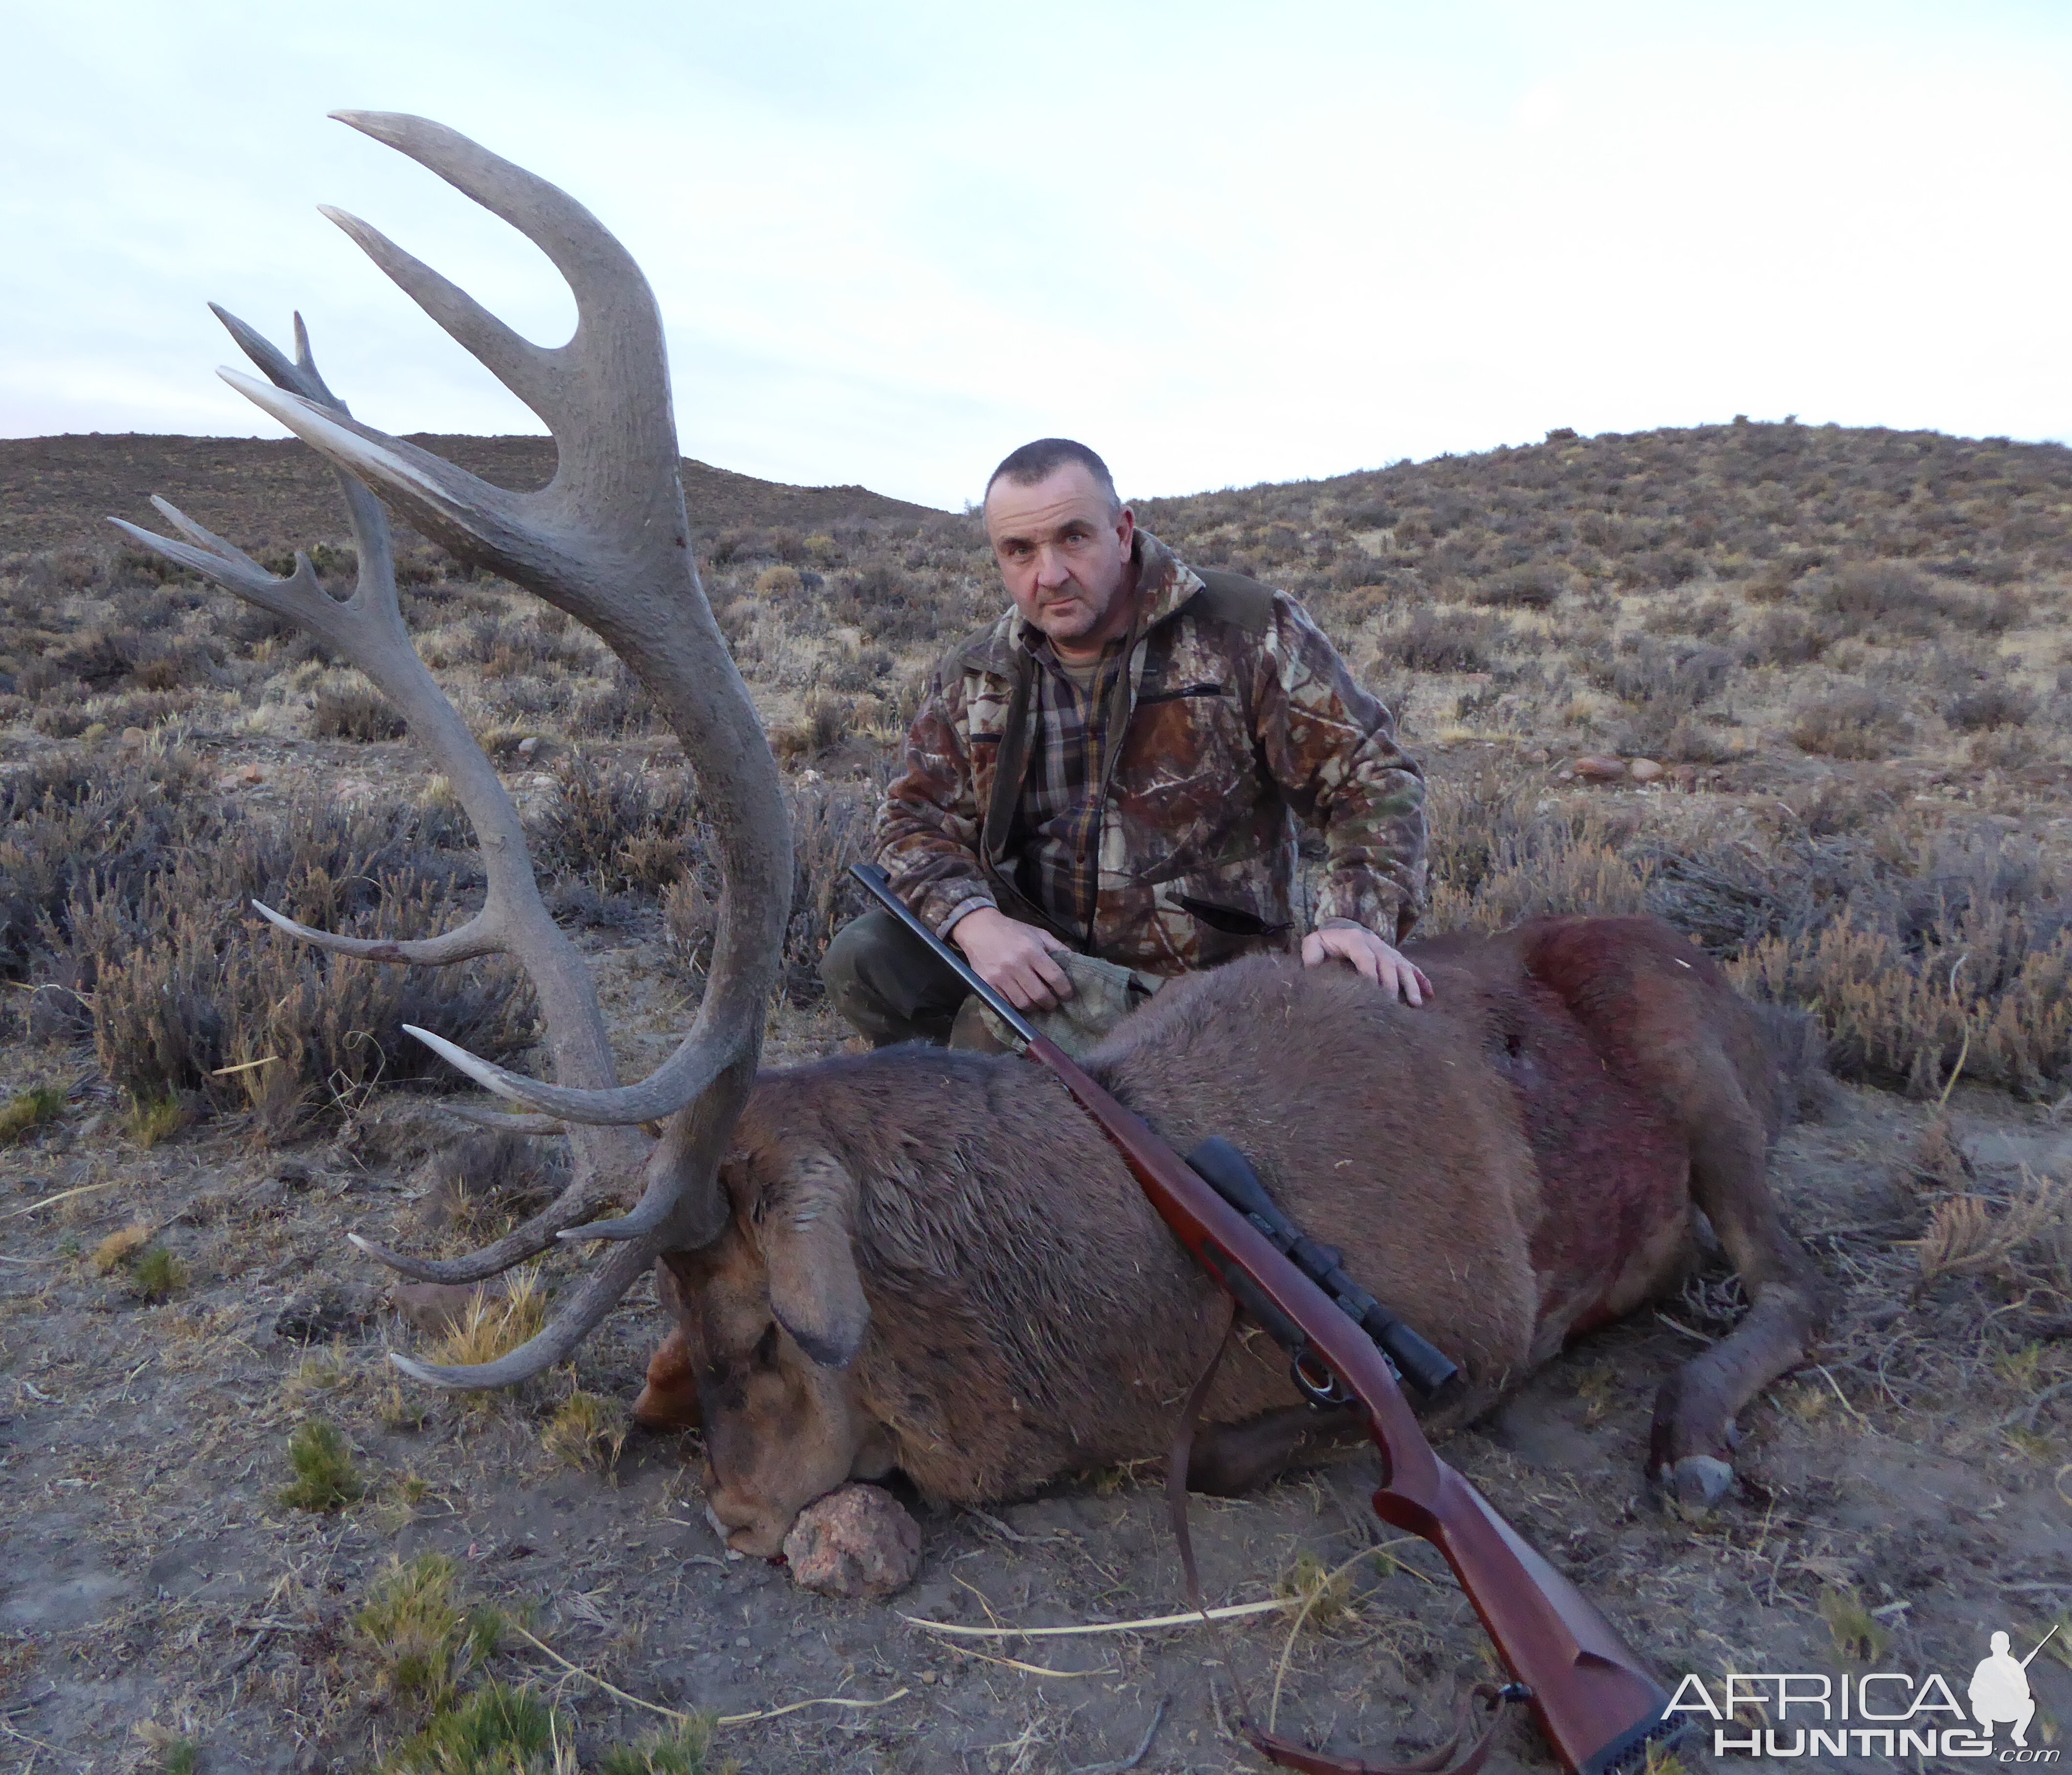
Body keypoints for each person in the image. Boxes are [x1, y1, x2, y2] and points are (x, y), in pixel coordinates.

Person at [821, 438, 1430, 1051]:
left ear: (1122, 531)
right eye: (1020, 551)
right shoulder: (976, 673)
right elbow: (912, 821)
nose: (1050, 574)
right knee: (866, 957)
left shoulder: (1246, 633)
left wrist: (1356, 917)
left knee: (988, 1041)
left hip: (1197, 989)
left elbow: (1371, 780)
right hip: (1041, 965)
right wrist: (977, 924)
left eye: (1074, 538)